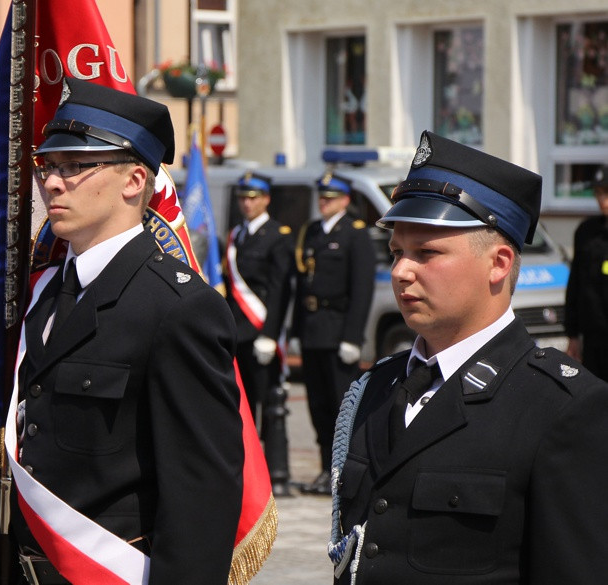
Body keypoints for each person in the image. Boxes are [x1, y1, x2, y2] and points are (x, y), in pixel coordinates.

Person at [328, 131, 608, 584]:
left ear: (498, 263)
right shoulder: (375, 389)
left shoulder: (565, 407)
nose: (401, 270)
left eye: (426, 252)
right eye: (398, 251)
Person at [5, 77, 243, 585]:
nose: (51, 183)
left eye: (75, 167)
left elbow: (200, 497)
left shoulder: (179, 308)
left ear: (135, 181)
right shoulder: (43, 293)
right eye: (49, 166)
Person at [292, 174, 375, 495]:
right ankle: (326, 469)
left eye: (330, 197)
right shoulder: (312, 232)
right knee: (317, 406)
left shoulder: (355, 235)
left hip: (340, 331)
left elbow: (362, 289)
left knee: (343, 406)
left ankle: (346, 471)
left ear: (344, 200)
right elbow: (302, 285)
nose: (323, 202)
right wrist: (297, 330)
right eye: (321, 197)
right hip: (313, 331)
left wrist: (353, 337)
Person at [224, 172, 293, 426]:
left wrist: (270, 334)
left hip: (259, 329)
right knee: (241, 403)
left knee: (270, 405)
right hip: (237, 330)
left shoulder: (278, 235)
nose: (247, 204)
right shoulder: (237, 235)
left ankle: (273, 464)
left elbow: (280, 290)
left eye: (253, 198)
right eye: (243, 198)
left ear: (266, 199)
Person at [565, 164, 608, 381]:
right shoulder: (587, 232)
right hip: (593, 341)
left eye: (607, 193)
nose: (603, 201)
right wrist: (572, 334)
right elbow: (575, 285)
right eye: (599, 194)